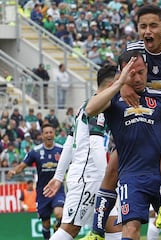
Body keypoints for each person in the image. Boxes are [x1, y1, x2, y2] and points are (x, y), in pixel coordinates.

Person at [84, 5, 161, 238]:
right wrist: (122, 85)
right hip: (142, 117)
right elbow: (116, 78)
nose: (147, 31)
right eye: (143, 26)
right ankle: (97, 231)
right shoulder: (131, 51)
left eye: (153, 25)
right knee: (113, 166)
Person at [85, 51, 161, 240]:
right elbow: (90, 109)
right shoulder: (113, 99)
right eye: (131, 73)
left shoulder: (158, 97)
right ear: (123, 72)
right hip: (132, 177)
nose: (137, 78)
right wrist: (119, 84)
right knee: (131, 229)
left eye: (141, 72)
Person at [43, 65, 122, 240]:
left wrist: (58, 176)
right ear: (112, 84)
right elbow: (95, 144)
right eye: (119, 83)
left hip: (92, 177)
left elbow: (69, 143)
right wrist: (106, 180)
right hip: (89, 178)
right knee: (70, 229)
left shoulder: (85, 106)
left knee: (114, 227)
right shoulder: (100, 106)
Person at [7, 123, 65, 240]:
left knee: (59, 213)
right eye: (46, 133)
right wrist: (14, 171)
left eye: (51, 132)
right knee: (45, 223)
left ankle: (57, 229)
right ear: (42, 136)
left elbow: (74, 162)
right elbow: (23, 165)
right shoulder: (35, 151)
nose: (49, 134)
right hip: (43, 191)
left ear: (54, 134)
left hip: (57, 189)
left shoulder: (61, 149)